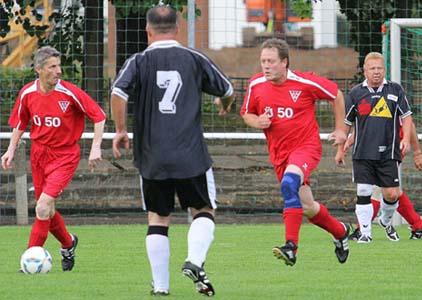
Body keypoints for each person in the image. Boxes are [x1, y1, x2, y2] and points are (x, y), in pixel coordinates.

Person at [110, 4, 234, 297]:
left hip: (152, 155)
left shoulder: (138, 61)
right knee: (203, 210)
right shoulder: (194, 58)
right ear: (178, 29)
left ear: (147, 31)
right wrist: (225, 106)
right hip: (190, 154)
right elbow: (227, 90)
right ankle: (194, 260)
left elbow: (117, 92)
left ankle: (161, 287)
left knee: (157, 217)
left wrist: (120, 130)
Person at [240, 38, 350, 267]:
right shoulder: (256, 84)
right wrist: (257, 121)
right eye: (263, 61)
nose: (266, 66)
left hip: (306, 148)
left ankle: (291, 246)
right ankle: (340, 232)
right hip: (279, 154)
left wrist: (340, 129)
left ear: (284, 62)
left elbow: (336, 95)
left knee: (289, 184)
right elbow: (246, 114)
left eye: (271, 61)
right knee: (307, 207)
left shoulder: (304, 82)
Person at [1, 46, 106, 271]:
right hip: (39, 154)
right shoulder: (27, 93)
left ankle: (29, 260)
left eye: (59, 66)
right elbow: (20, 123)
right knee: (46, 209)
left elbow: (99, 115)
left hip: (65, 155)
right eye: (52, 67)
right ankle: (68, 243)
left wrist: (96, 147)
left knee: (42, 207)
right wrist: (11, 149)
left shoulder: (69, 93)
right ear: (39, 69)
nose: (58, 71)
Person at [343, 52, 413, 243]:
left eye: (379, 68)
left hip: (389, 151)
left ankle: (385, 220)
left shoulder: (395, 90)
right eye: (372, 68)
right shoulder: (356, 93)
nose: (376, 72)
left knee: (391, 193)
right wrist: (342, 146)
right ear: (365, 70)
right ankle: (365, 233)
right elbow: (347, 123)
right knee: (364, 191)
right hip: (363, 152)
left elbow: (406, 116)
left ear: (384, 70)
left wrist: (405, 138)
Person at [345, 122, 422, 241]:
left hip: (391, 145)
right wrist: (353, 137)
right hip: (376, 141)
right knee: (392, 191)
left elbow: (408, 122)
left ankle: (362, 230)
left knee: (381, 187)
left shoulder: (396, 104)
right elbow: (365, 118)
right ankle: (418, 225)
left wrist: (417, 152)